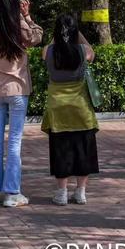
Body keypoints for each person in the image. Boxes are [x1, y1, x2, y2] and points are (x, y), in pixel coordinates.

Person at [0, 0, 43, 207]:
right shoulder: (18, 23)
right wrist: (27, 15)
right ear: (16, 2)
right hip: (18, 89)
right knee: (15, 141)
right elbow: (37, 37)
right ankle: (11, 193)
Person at [41, 13, 99, 205]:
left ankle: (61, 193)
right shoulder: (83, 51)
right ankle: (80, 191)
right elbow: (92, 51)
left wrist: (59, 34)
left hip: (58, 110)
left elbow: (44, 50)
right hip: (81, 107)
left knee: (61, 149)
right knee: (83, 149)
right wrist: (77, 33)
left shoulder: (49, 52)